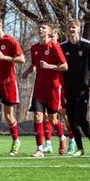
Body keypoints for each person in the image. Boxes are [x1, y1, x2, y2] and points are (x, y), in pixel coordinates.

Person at [21, 19, 67, 158]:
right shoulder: (34, 48)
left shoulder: (54, 47)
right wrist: (28, 71)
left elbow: (65, 66)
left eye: (43, 28)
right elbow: (35, 64)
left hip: (53, 87)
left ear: (49, 31)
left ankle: (61, 138)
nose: (40, 30)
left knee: (53, 119)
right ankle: (39, 149)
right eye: (39, 27)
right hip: (39, 87)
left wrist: (49, 66)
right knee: (37, 116)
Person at [0, 16, 25, 156]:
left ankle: (16, 141)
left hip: (8, 83)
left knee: (8, 116)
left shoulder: (11, 41)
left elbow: (22, 59)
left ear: (1, 25)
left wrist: (4, 58)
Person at [60, 19, 90, 157]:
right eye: (70, 27)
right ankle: (80, 148)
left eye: (74, 27)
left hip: (83, 88)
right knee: (71, 120)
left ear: (79, 29)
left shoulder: (87, 45)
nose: (72, 29)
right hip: (68, 88)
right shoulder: (62, 46)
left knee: (80, 118)